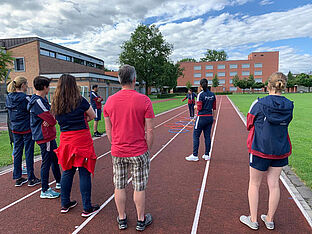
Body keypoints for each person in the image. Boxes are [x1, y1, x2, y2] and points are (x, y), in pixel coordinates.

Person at [240, 72, 294, 230]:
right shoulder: (289, 105)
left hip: (260, 149)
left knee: (254, 184)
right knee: (274, 184)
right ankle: (269, 219)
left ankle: (254, 219)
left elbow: (249, 124)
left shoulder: (258, 103)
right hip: (280, 149)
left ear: (268, 85)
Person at [103, 65, 154, 231]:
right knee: (139, 186)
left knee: (119, 185)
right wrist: (148, 148)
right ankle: (140, 220)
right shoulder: (144, 100)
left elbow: (108, 131)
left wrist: (115, 144)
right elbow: (150, 130)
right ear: (134, 79)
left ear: (119, 80)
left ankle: (122, 218)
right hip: (139, 150)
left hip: (118, 151)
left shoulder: (110, 101)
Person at [52, 74, 100, 217]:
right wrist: (83, 118)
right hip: (81, 139)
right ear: (74, 85)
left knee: (68, 170)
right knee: (84, 171)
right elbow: (92, 116)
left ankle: (65, 203)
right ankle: (87, 207)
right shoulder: (80, 100)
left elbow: (56, 119)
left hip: (66, 139)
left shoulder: (55, 102)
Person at [27, 76, 61, 198]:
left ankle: (59, 181)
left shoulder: (43, 99)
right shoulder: (38, 101)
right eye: (48, 86)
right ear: (44, 87)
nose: (49, 89)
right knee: (46, 162)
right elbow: (51, 119)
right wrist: (51, 118)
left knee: (54, 158)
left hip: (48, 134)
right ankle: (45, 190)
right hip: (44, 136)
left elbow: (53, 112)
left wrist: (51, 117)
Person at [6, 76, 40, 187]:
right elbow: (34, 110)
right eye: (26, 84)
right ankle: (31, 178)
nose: (27, 86)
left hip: (15, 128)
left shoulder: (9, 97)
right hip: (26, 128)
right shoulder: (25, 98)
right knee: (28, 153)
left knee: (17, 153)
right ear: (23, 85)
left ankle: (18, 177)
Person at [185, 78, 216, 162]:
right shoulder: (212, 94)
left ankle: (195, 155)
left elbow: (199, 107)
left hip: (201, 117)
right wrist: (213, 118)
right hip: (209, 117)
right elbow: (214, 108)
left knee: (196, 135)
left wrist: (195, 107)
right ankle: (207, 155)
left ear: (200, 86)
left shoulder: (200, 95)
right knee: (207, 136)